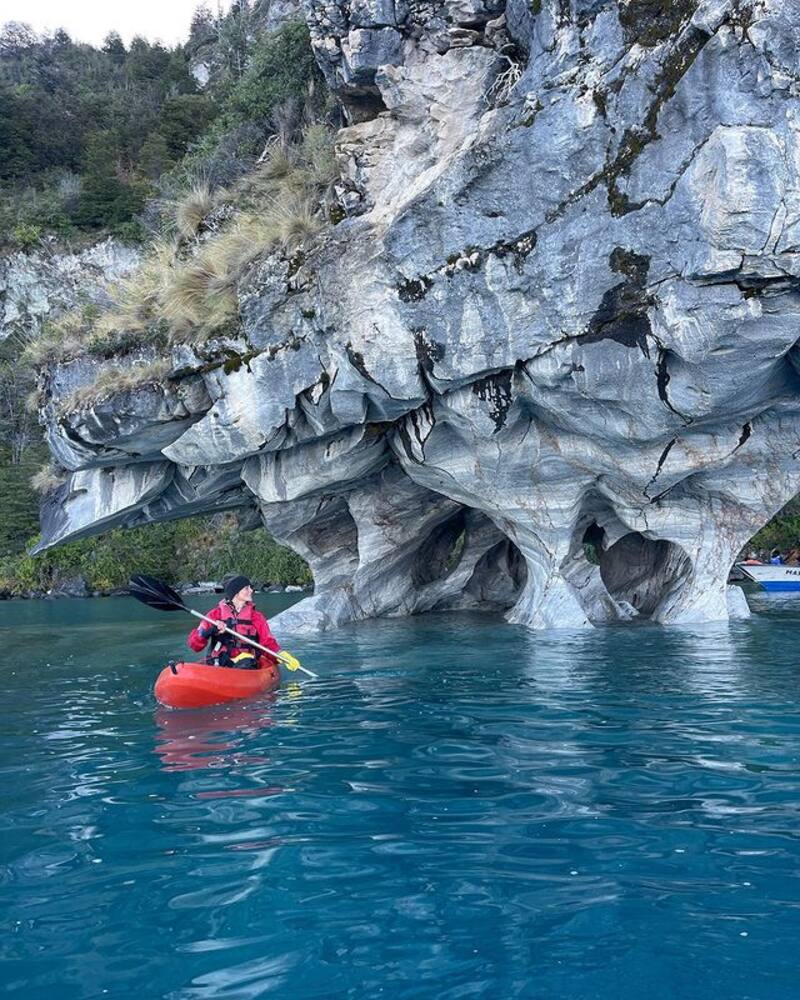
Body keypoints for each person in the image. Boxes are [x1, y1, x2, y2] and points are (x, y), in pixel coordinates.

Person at [187, 575, 284, 669]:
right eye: (246, 588)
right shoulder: (215, 615)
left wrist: (280, 655)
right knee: (222, 661)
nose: (251, 590)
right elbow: (194, 645)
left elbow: (268, 643)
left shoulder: (257, 617)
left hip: (248, 664)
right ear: (236, 593)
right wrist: (210, 631)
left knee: (246, 663)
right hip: (220, 662)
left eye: (250, 588)